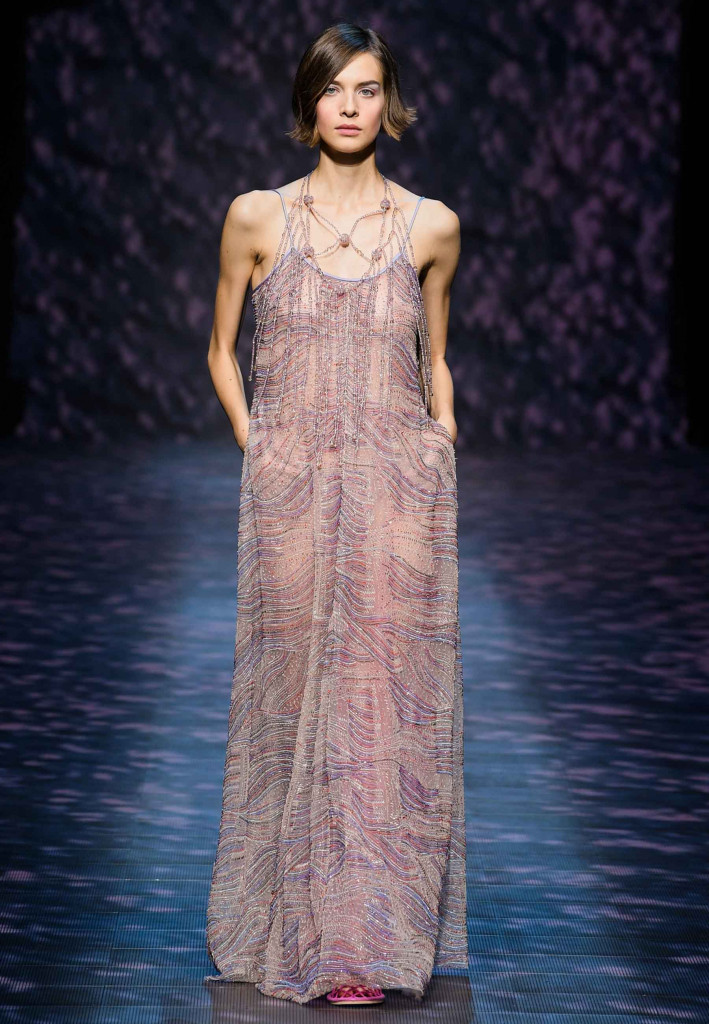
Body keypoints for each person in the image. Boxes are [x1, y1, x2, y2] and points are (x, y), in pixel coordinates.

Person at [204, 22, 467, 1007]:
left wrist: (440, 438)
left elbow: (435, 357)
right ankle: (287, 923)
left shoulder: (430, 226)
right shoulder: (257, 216)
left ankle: (358, 944)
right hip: (290, 496)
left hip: (397, 495)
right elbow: (220, 348)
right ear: (307, 103)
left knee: (376, 711)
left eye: (366, 89)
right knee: (286, 701)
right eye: (332, 89)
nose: (349, 107)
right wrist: (257, 443)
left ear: (388, 103)